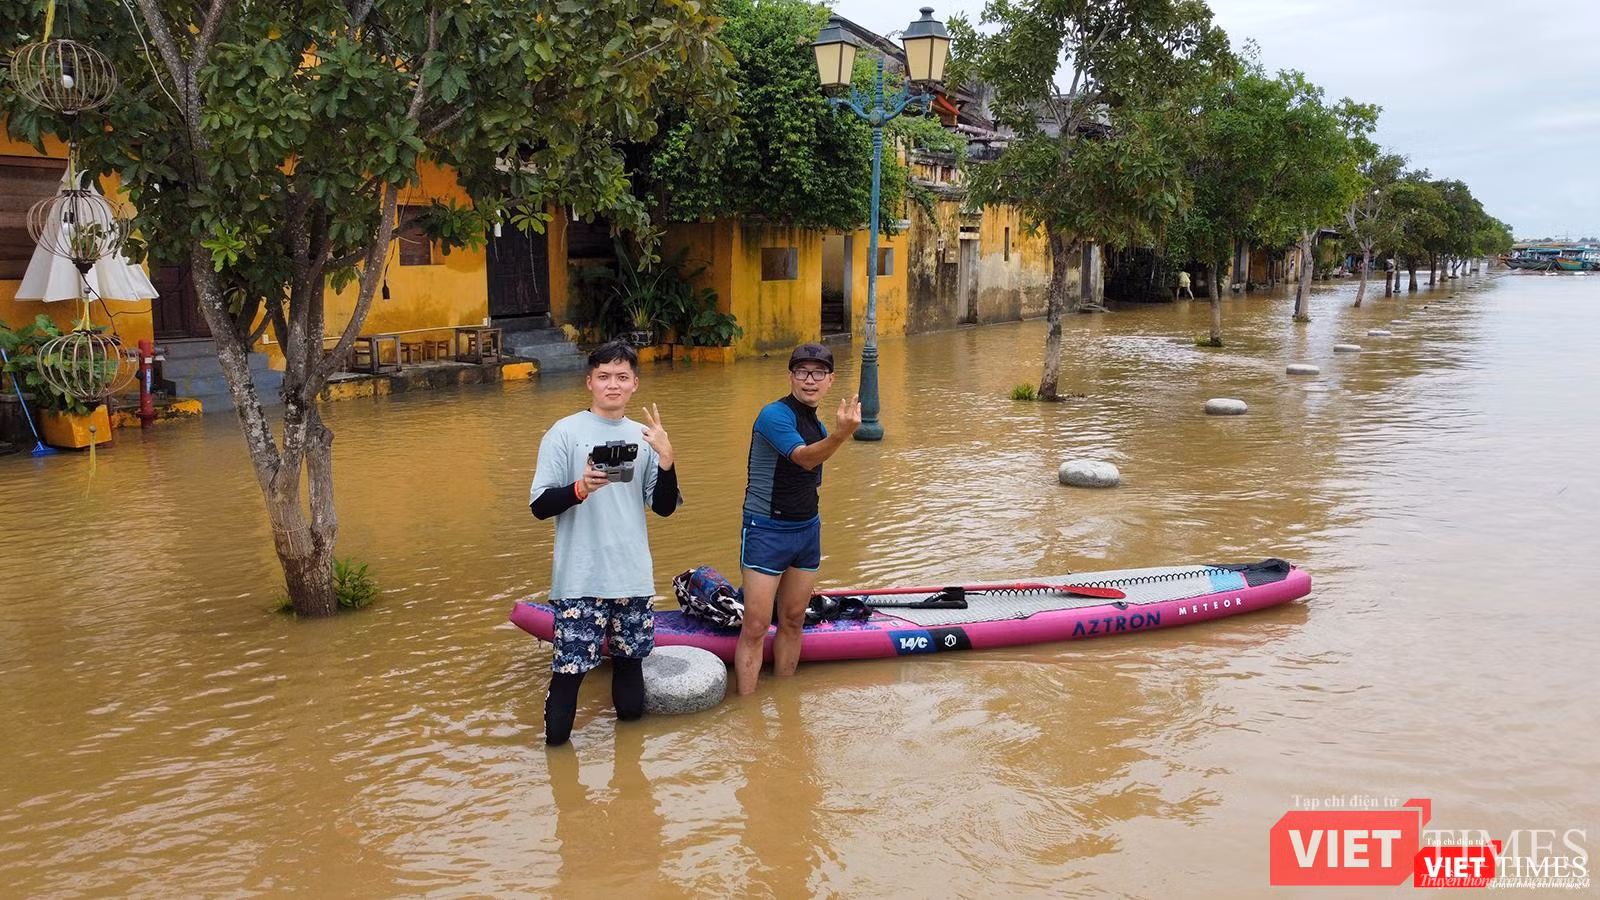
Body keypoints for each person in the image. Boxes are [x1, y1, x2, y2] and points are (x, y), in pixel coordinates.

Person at [529, 341, 680, 746]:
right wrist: (579, 488)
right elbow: (539, 506)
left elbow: (663, 508)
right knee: (569, 673)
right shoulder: (564, 433)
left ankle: (630, 778)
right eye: (604, 376)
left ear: (634, 384)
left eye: (622, 377)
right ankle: (558, 770)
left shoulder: (645, 436)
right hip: (580, 578)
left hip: (631, 576)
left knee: (631, 668)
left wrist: (667, 462)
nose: (613, 385)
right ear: (589, 382)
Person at [734, 342, 861, 694]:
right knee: (756, 626)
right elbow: (804, 459)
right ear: (791, 376)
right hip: (766, 531)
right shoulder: (774, 415)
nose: (810, 380)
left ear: (830, 380)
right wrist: (842, 434)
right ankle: (748, 709)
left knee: (793, 620)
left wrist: (834, 434)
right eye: (802, 372)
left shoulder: (817, 425)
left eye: (818, 372)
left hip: (807, 531)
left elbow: (812, 474)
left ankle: (786, 700)